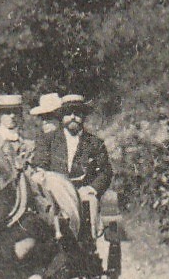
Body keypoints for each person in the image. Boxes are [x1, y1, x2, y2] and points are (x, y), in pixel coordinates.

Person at [30, 94, 112, 241]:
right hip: (55, 192)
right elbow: (40, 163)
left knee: (91, 204)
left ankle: (89, 242)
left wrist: (92, 188)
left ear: (83, 116)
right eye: (68, 113)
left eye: (77, 113)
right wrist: (43, 175)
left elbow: (105, 172)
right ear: (62, 116)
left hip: (82, 191)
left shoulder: (94, 143)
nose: (73, 117)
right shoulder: (48, 139)